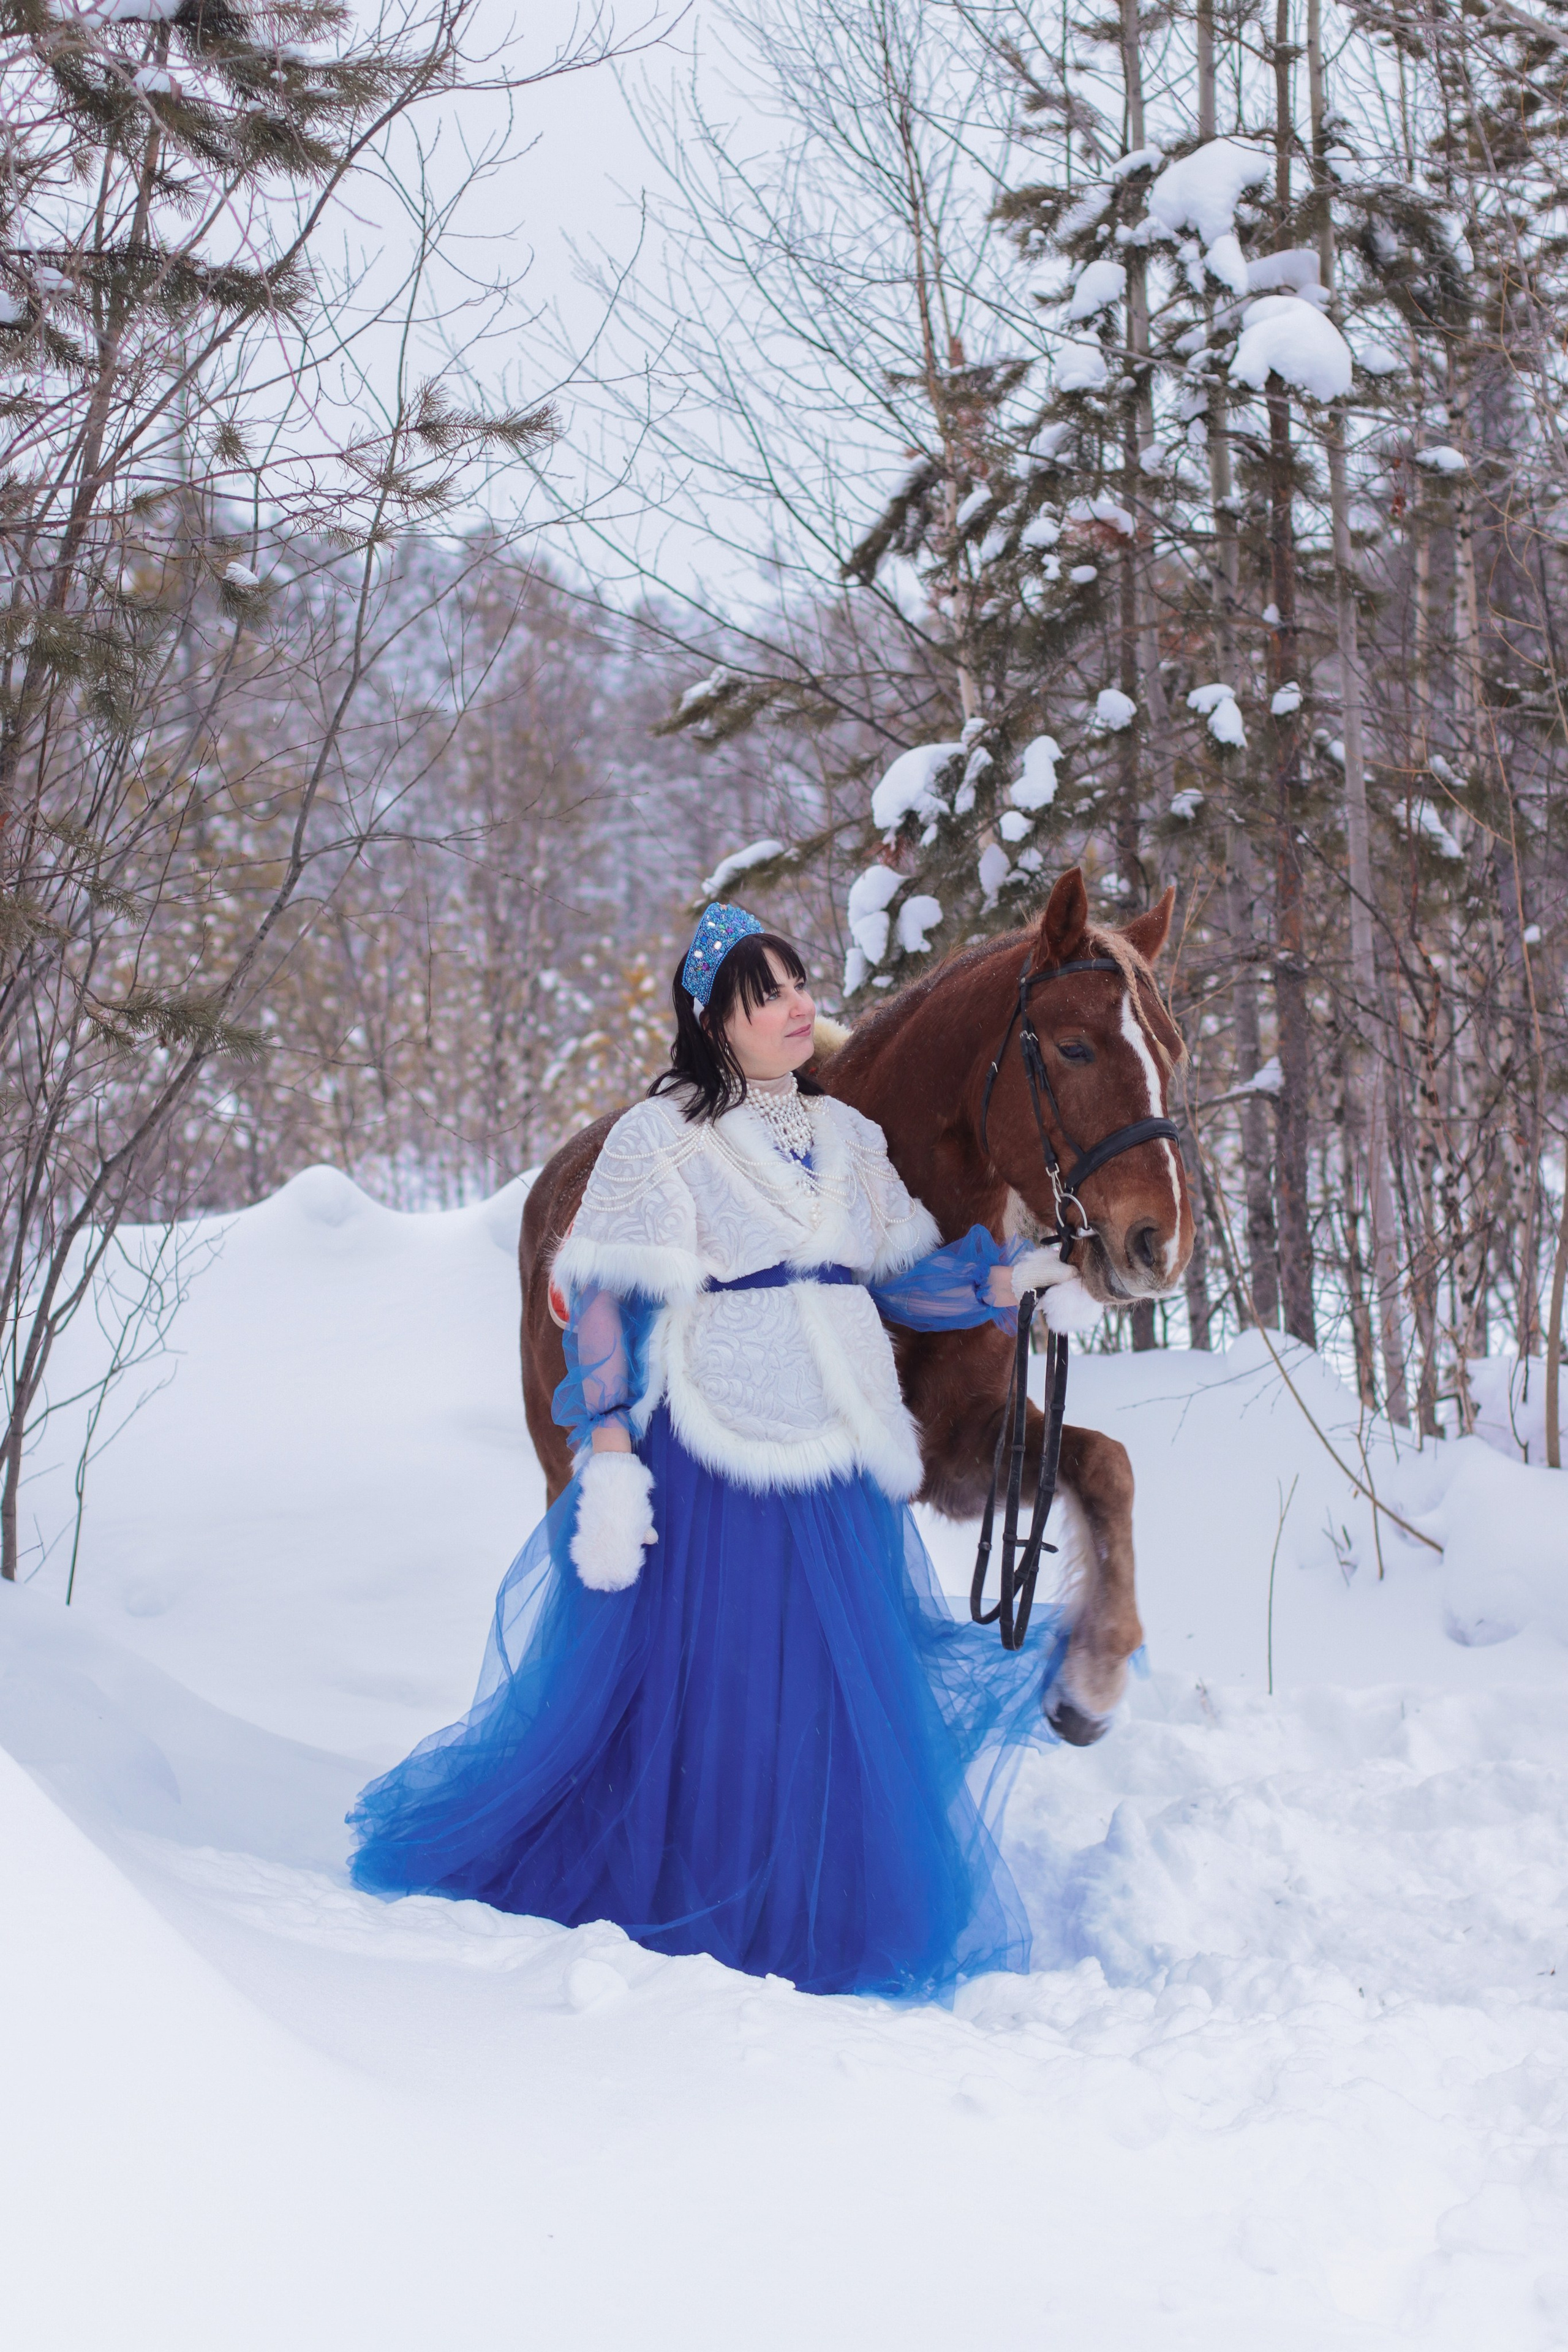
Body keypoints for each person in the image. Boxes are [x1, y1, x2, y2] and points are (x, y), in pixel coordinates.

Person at [348, 903, 1069, 2000]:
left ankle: (813, 1906)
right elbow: (599, 1296)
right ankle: (692, 1900)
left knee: (826, 1696)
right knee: (724, 1688)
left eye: (797, 984)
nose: (797, 1006)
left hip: (837, 1453)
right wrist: (606, 1456)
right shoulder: (662, 1137)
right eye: (764, 992)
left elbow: (908, 1280)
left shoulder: (847, 1139)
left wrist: (1016, 1282)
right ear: (711, 1019)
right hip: (717, 1442)